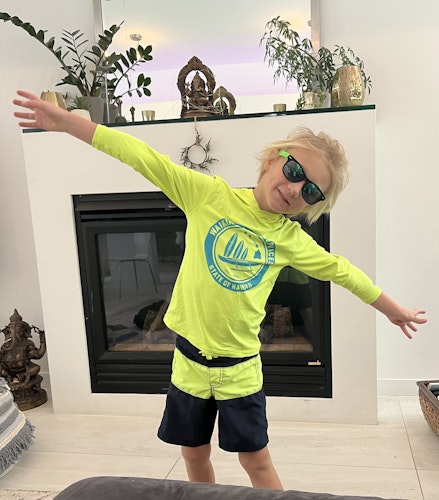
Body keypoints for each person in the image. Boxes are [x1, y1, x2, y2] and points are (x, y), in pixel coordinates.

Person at [12, 90, 427, 491]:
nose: (295, 188)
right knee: (193, 453)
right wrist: (70, 124)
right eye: (294, 172)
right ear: (272, 159)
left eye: (311, 191)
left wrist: (392, 309)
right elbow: (142, 156)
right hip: (188, 361)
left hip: (240, 370)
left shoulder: (289, 239)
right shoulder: (207, 195)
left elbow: (343, 271)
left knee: (256, 460)